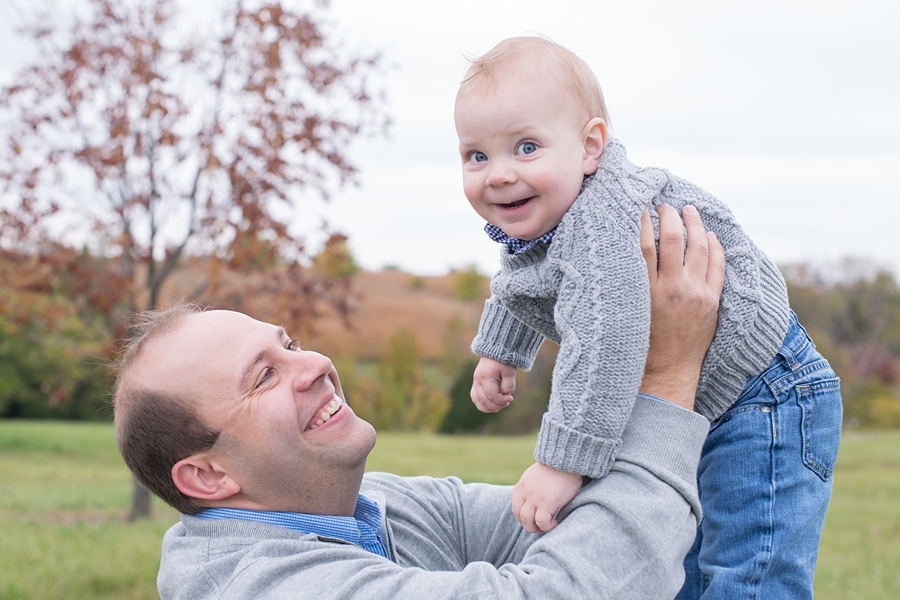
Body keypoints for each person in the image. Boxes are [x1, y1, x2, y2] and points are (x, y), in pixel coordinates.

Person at [112, 205, 724, 599]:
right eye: (263, 377)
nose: (316, 364)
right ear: (207, 475)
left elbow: (574, 527)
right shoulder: (268, 587)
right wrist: (667, 378)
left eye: (291, 343)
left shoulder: (377, 505)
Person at [454, 35, 843, 599]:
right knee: (676, 566)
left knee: (750, 573)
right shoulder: (552, 221)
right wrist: (501, 351)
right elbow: (526, 278)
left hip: (765, 392)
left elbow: (607, 342)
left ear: (591, 147)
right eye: (477, 155)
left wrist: (561, 463)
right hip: (699, 399)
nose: (498, 174)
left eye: (526, 147)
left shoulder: (601, 226)